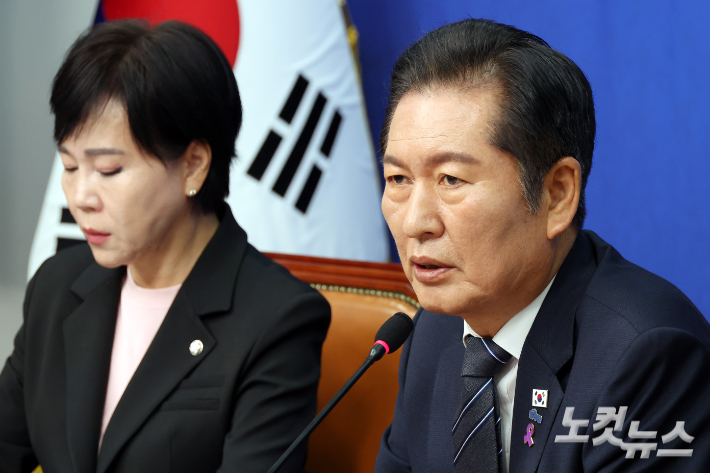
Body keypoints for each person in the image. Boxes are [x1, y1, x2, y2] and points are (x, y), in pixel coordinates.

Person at [374, 18, 710, 473]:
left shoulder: (648, 356)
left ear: (557, 194)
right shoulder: (433, 335)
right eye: (398, 179)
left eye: (451, 179)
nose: (415, 222)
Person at [0, 20, 330, 473]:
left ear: (193, 165)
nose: (80, 197)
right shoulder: (57, 287)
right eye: (70, 167)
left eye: (108, 170)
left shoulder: (276, 320)